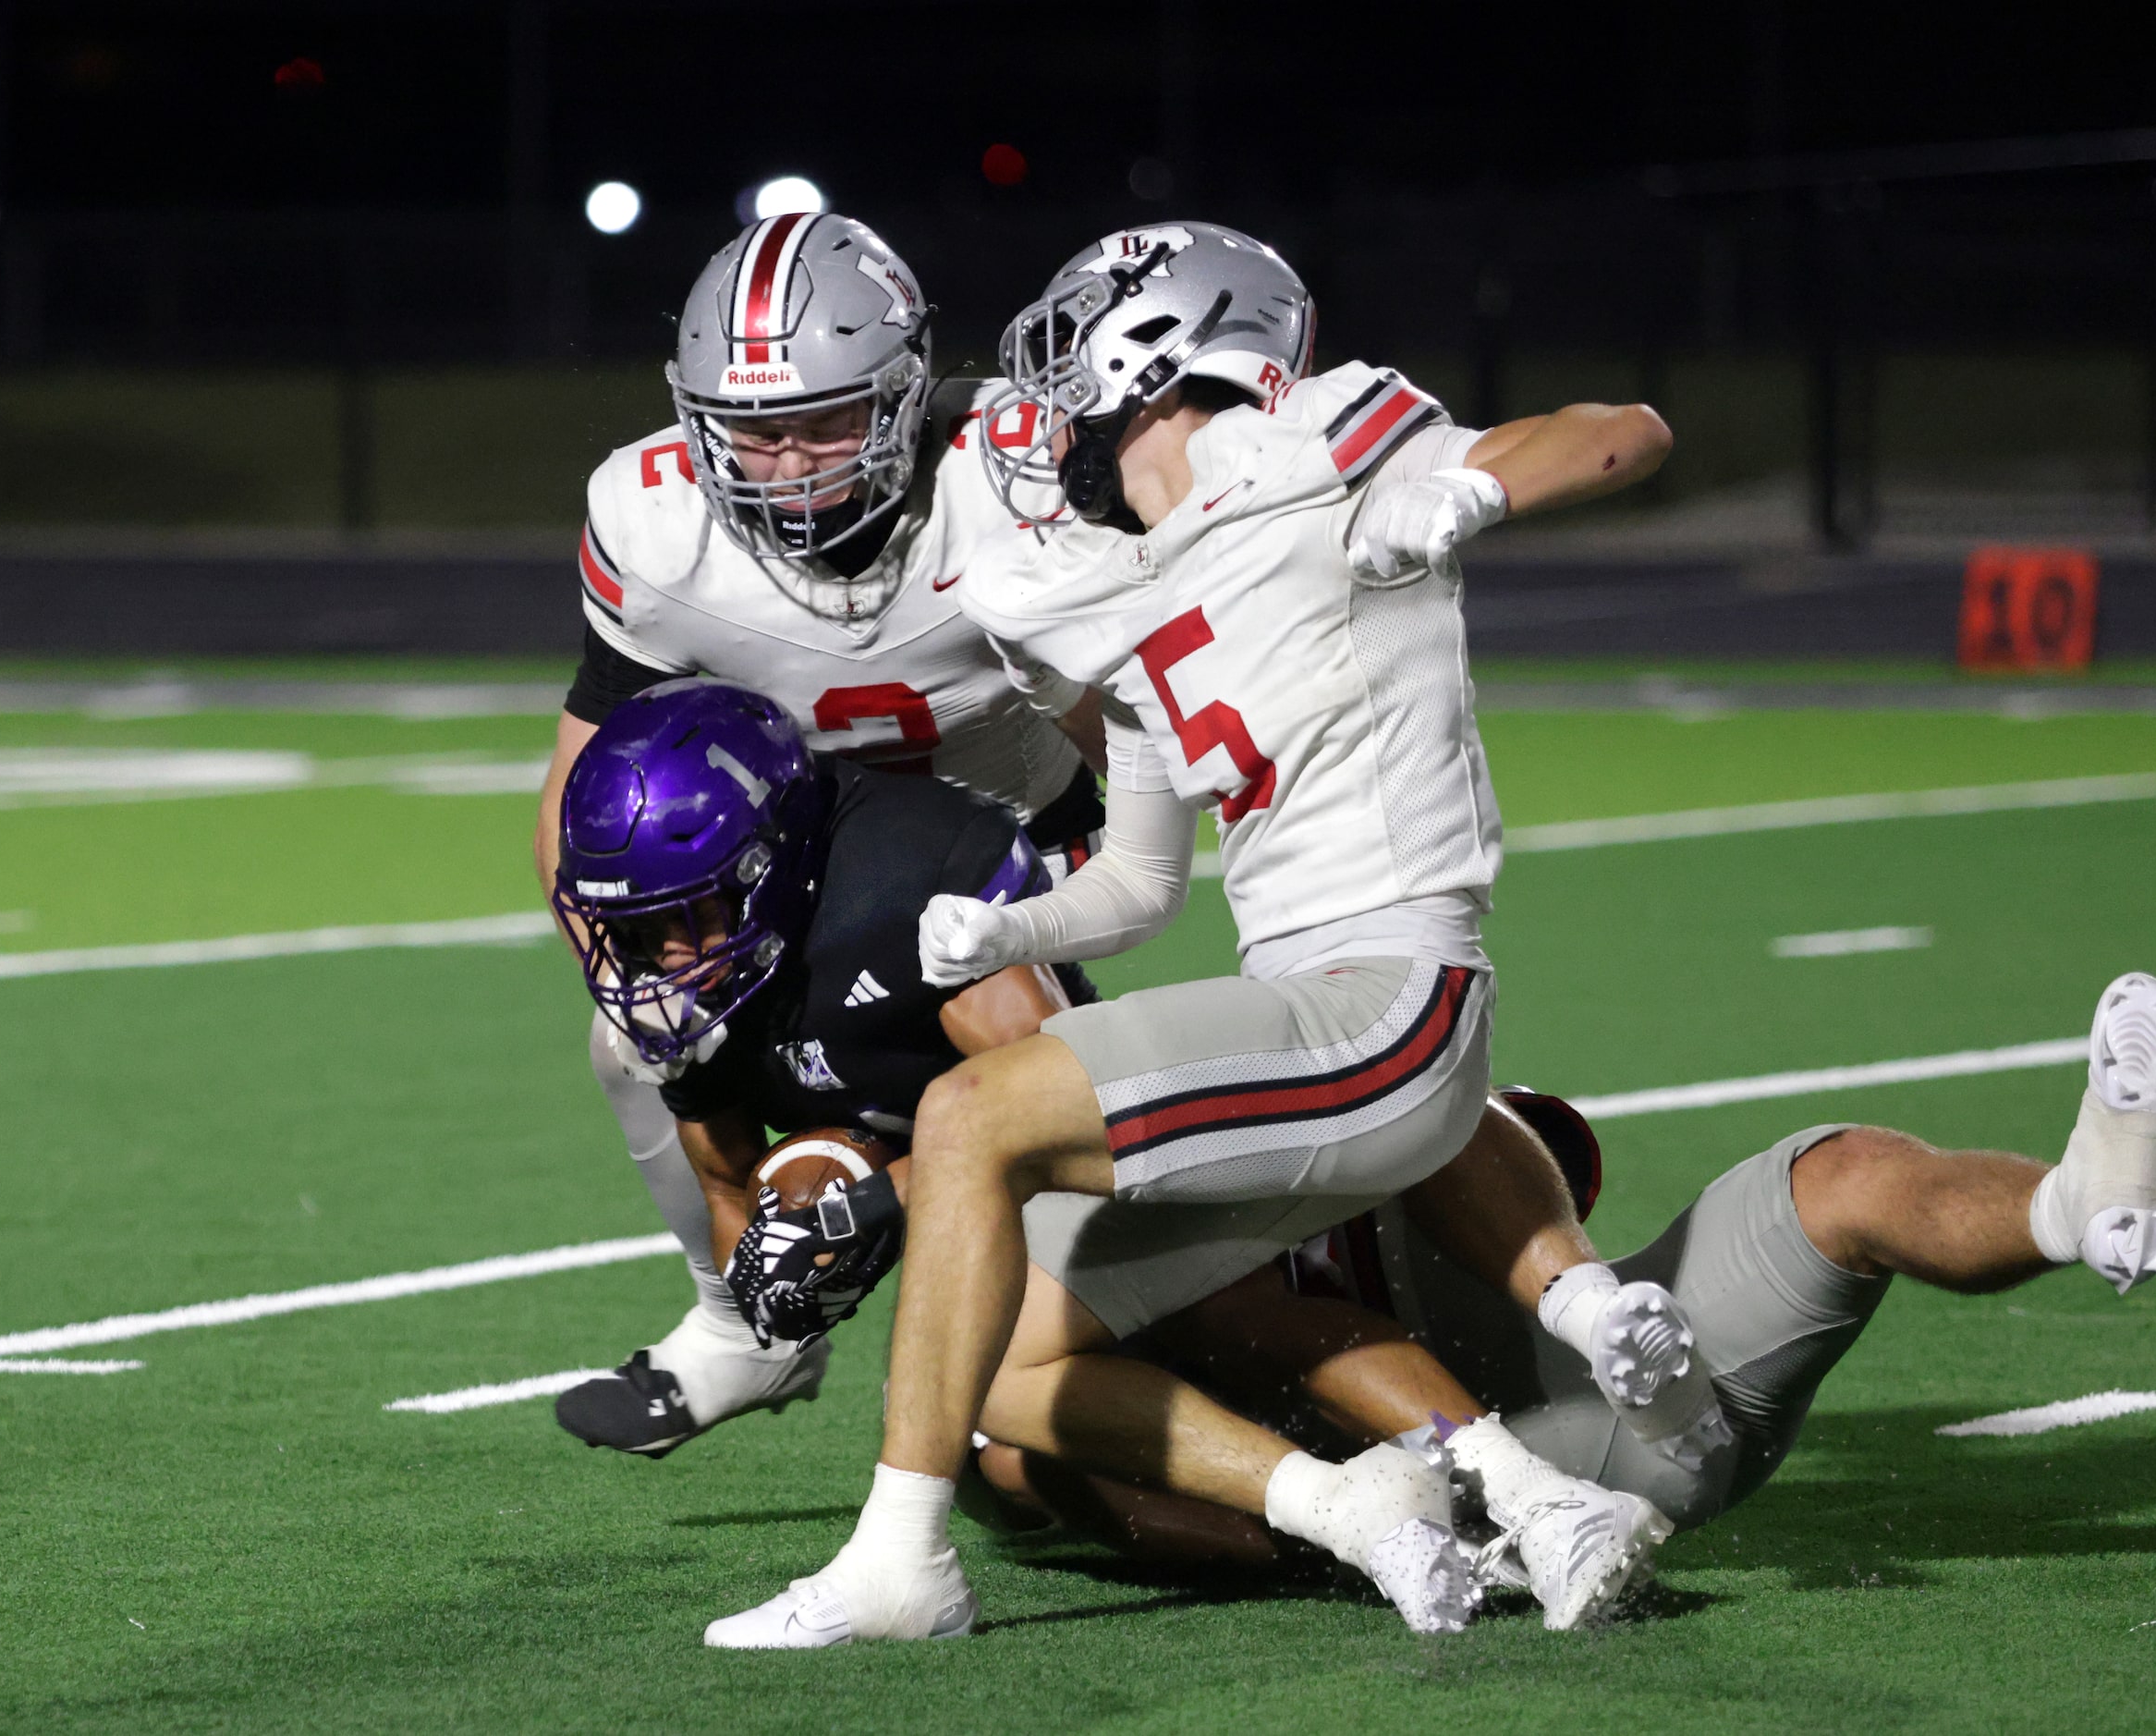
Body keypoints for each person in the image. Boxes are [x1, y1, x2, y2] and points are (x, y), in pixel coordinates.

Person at [708, 221, 1683, 1648]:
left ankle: (896, 1567)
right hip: (1311, 1016)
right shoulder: (1147, 582)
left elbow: (1621, 433)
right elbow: (1142, 886)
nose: (1044, 411)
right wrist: (1008, 928)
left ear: (1154, 354)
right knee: (1009, 1355)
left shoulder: (1323, 445)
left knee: (973, 1115)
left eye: (1072, 361)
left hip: (1390, 996)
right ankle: (1447, 1501)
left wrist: (1468, 489)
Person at [971, 972, 2156, 1568]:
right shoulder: (1074, 1300)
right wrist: (1355, 1544)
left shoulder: (1297, 1094)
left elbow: (1535, 1135)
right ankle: (1549, 1431)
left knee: (1847, 1175)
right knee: (1263, 1312)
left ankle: (2071, 1205)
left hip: (1618, 1355)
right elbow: (1074, 1459)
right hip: (1528, 1478)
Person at [534, 212, 1107, 1448]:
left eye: (821, 424)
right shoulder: (655, 523)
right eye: (751, 431)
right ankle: (747, 1326)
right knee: (633, 1041)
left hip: (1014, 850)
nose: (784, 464)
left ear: (903, 395)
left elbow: (1138, 720)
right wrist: (638, 974)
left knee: (1042, 1216)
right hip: (789, 873)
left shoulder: (1010, 477)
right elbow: (586, 777)